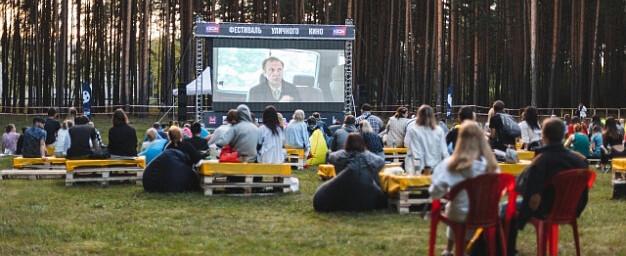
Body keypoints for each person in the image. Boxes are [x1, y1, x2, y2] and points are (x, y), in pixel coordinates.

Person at [508, 118, 589, 255]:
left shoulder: (542, 160)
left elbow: (528, 191)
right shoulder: (580, 161)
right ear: (564, 135)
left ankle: (505, 250)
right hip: (572, 208)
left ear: (543, 136)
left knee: (504, 209)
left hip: (544, 208)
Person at [429, 120, 499, 256]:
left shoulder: (449, 166)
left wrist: (445, 193)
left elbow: (435, 192)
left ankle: (452, 250)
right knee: (460, 207)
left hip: (459, 214)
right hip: (487, 214)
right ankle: (461, 249)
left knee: (455, 207)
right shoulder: (492, 166)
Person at [314, 133, 387, 212]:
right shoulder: (374, 159)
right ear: (362, 143)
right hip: (365, 198)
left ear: (347, 143)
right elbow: (381, 162)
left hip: (342, 195)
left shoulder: (336, 157)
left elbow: (330, 156)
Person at [404, 105, 449, 175]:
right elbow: (444, 152)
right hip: (436, 168)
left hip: (419, 169)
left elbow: (416, 153)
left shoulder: (414, 130)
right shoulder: (439, 130)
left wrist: (416, 170)